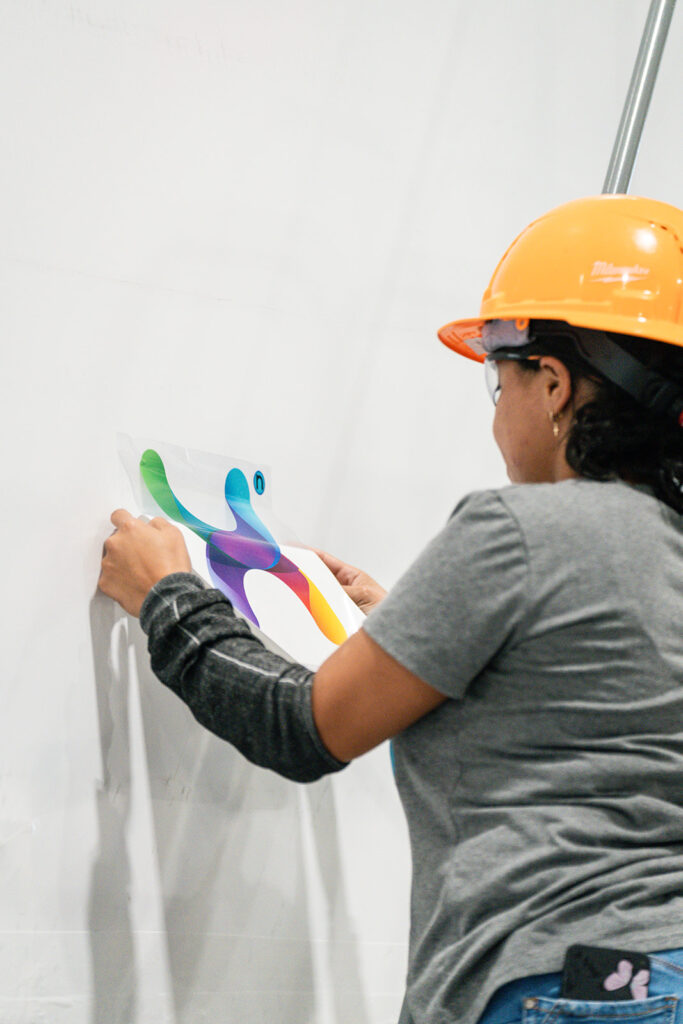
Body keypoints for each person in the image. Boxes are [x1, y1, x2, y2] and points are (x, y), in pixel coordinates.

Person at [99, 194, 683, 1024]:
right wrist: (407, 626)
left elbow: (298, 729)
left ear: (552, 385)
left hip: (556, 984)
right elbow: (579, 717)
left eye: (497, 378)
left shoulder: (517, 531)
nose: (496, 411)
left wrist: (168, 597)